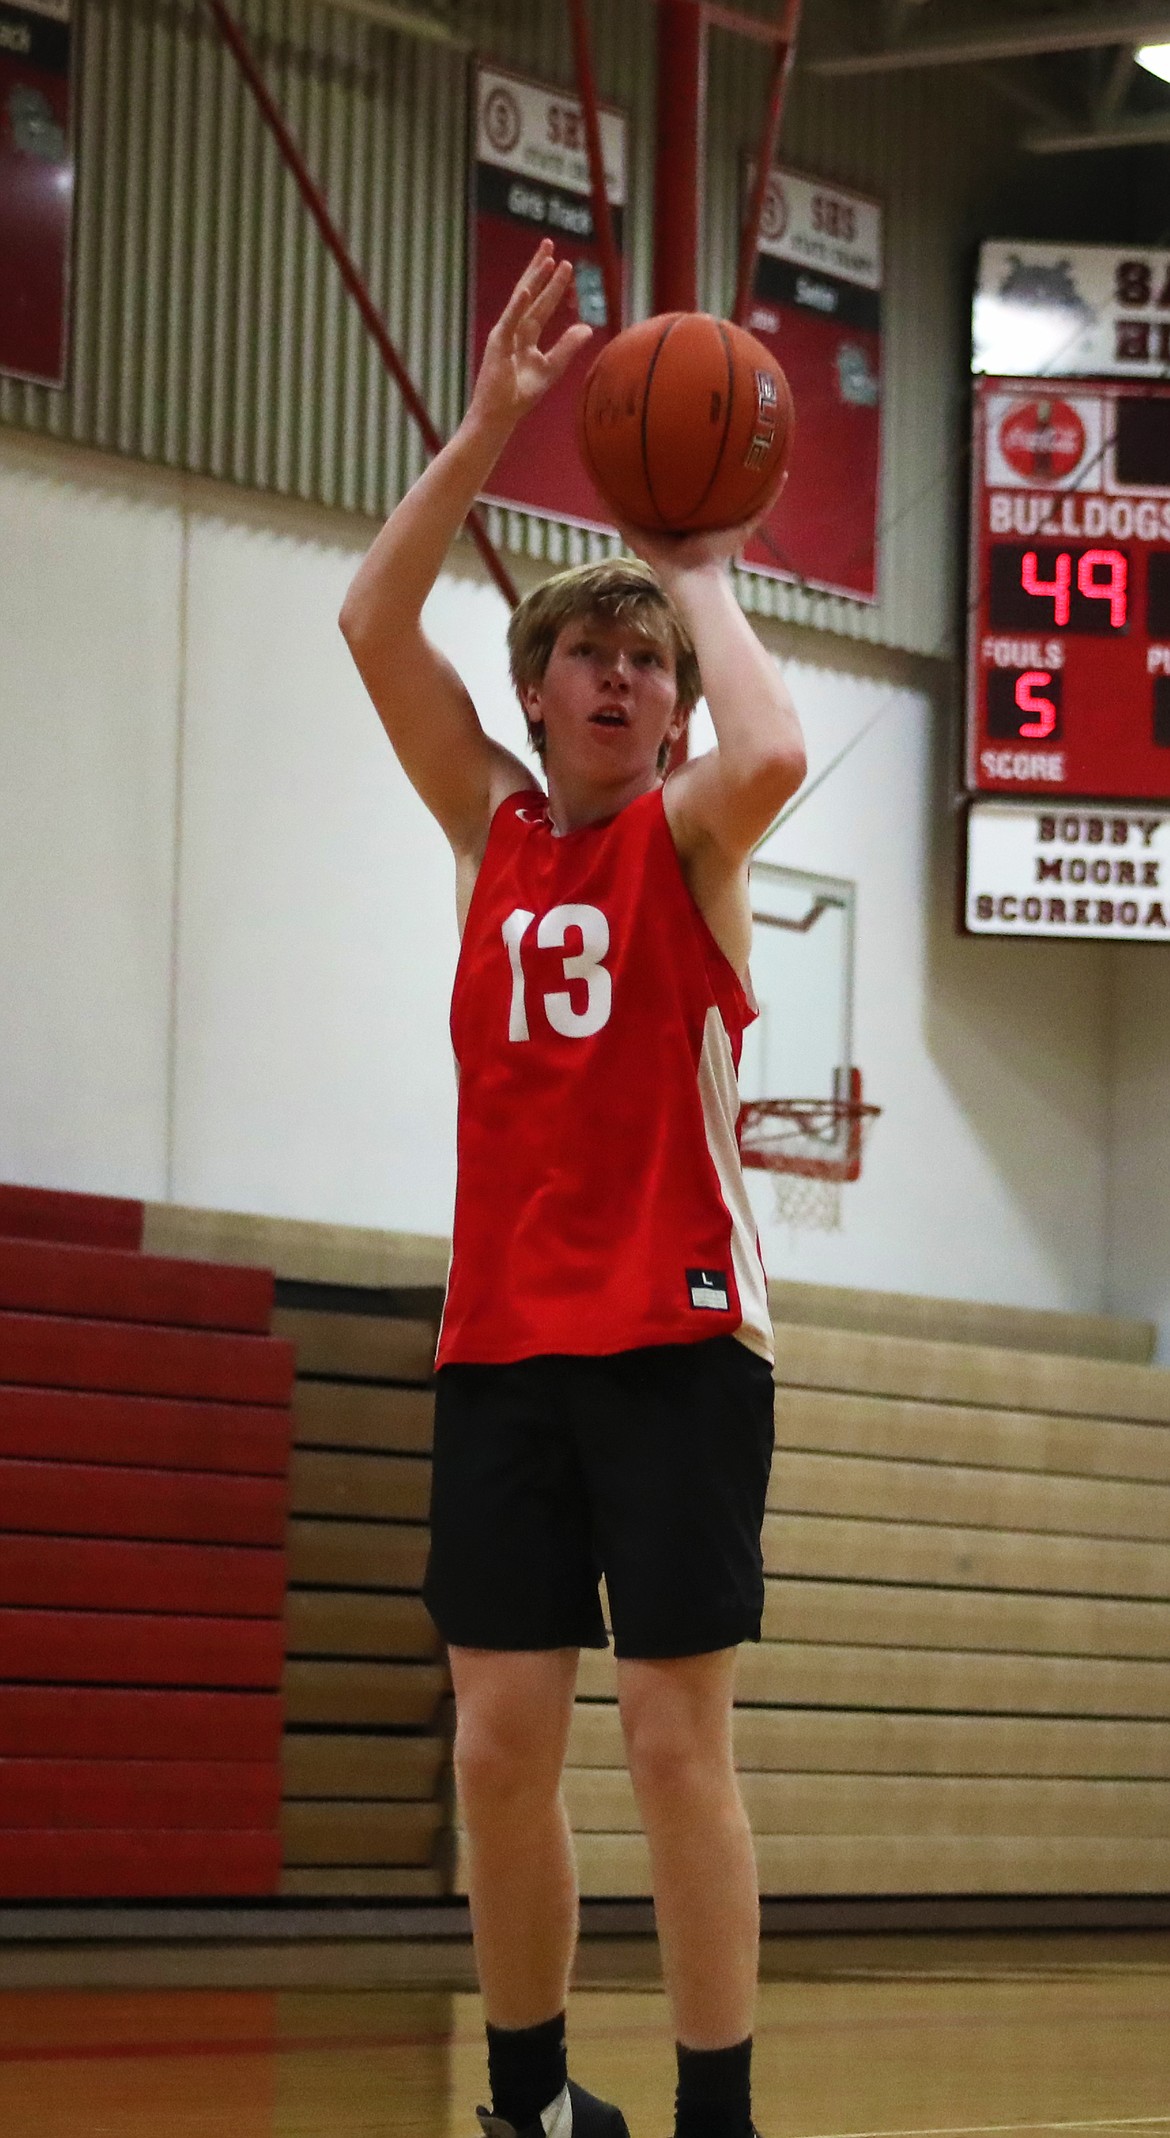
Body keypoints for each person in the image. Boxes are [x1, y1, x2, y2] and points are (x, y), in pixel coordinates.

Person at [340, 239, 806, 2138]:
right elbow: (376, 626)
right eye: (586, 655)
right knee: (498, 1742)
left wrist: (695, 556)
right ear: (531, 694)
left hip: (683, 1338)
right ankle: (526, 2100)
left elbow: (773, 742)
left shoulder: (690, 836)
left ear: (667, 712)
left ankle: (717, 2110)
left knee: (670, 1739)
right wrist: (486, 433)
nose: (617, 678)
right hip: (505, 1344)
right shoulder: (493, 832)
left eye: (645, 666)